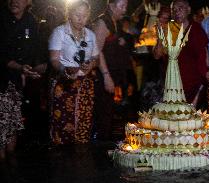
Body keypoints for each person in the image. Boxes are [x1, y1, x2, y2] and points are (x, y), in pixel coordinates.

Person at [48, 0, 99, 144]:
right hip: (64, 85)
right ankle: (61, 160)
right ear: (69, 14)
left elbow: (96, 58)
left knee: (83, 122)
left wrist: (90, 65)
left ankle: (81, 159)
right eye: (77, 15)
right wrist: (66, 69)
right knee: (63, 123)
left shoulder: (90, 35)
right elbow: (54, 59)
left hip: (85, 86)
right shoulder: (59, 32)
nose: (81, 19)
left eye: (84, 16)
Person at [0, 0, 44, 160]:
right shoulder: (2, 18)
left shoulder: (30, 21)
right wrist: (21, 68)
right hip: (2, 81)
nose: (14, 1)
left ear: (28, 2)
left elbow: (34, 48)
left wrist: (35, 68)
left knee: (12, 125)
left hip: (16, 83)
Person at [154, 0, 209, 108]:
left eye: (180, 8)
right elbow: (157, 56)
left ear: (188, 10)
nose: (176, 12)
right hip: (171, 84)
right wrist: (160, 37)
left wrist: (206, 76)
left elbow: (205, 55)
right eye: (173, 10)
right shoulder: (168, 29)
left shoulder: (196, 29)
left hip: (193, 83)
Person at [92, 0, 129, 141]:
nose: (125, 10)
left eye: (126, 6)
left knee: (109, 111)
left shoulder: (115, 22)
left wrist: (121, 41)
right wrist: (106, 76)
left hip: (114, 73)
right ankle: (97, 150)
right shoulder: (103, 23)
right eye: (122, 6)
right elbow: (97, 51)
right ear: (111, 6)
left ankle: (104, 144)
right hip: (103, 76)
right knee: (102, 113)